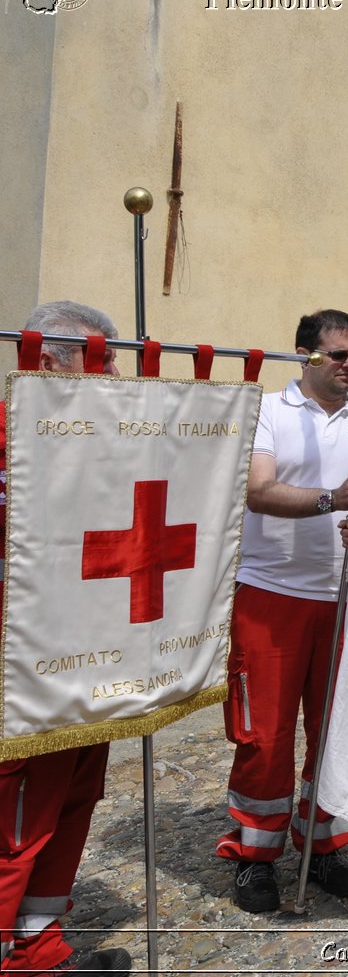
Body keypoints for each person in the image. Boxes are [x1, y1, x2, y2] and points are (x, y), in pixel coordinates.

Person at [215, 310, 348, 913]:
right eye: (336, 355)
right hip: (272, 594)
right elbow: (257, 489)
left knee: (333, 733)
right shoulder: (270, 412)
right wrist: (332, 500)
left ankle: (323, 846)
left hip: (342, 597)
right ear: (305, 356)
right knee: (265, 737)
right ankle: (255, 858)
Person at [0, 301, 133, 976]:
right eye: (102, 355)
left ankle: (39, 947)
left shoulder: (109, 440)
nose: (116, 368)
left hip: (92, 658)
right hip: (25, 669)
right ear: (47, 358)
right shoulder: (5, 435)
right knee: (16, 824)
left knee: (73, 800)